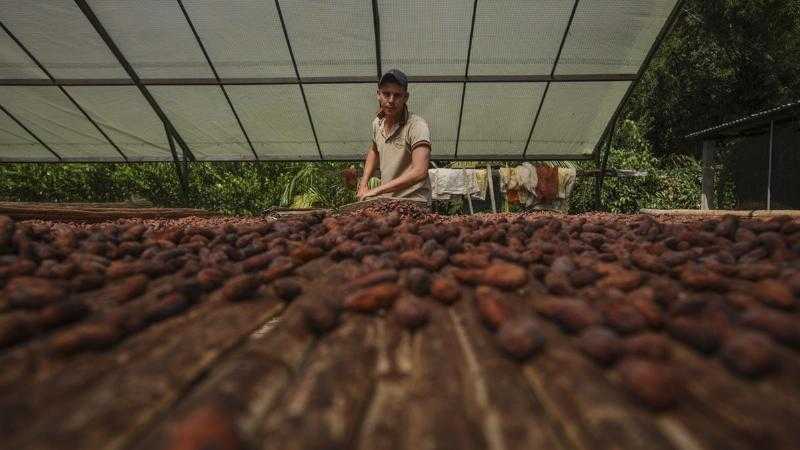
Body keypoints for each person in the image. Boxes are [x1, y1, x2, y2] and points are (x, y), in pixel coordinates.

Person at [356, 69, 432, 204]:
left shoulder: (417, 126)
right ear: (378, 95)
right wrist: (364, 183)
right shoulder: (377, 124)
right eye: (386, 94)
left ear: (405, 97)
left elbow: (420, 171)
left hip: (414, 202)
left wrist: (377, 190)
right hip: (388, 202)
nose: (391, 100)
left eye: (397, 95)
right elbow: (374, 150)